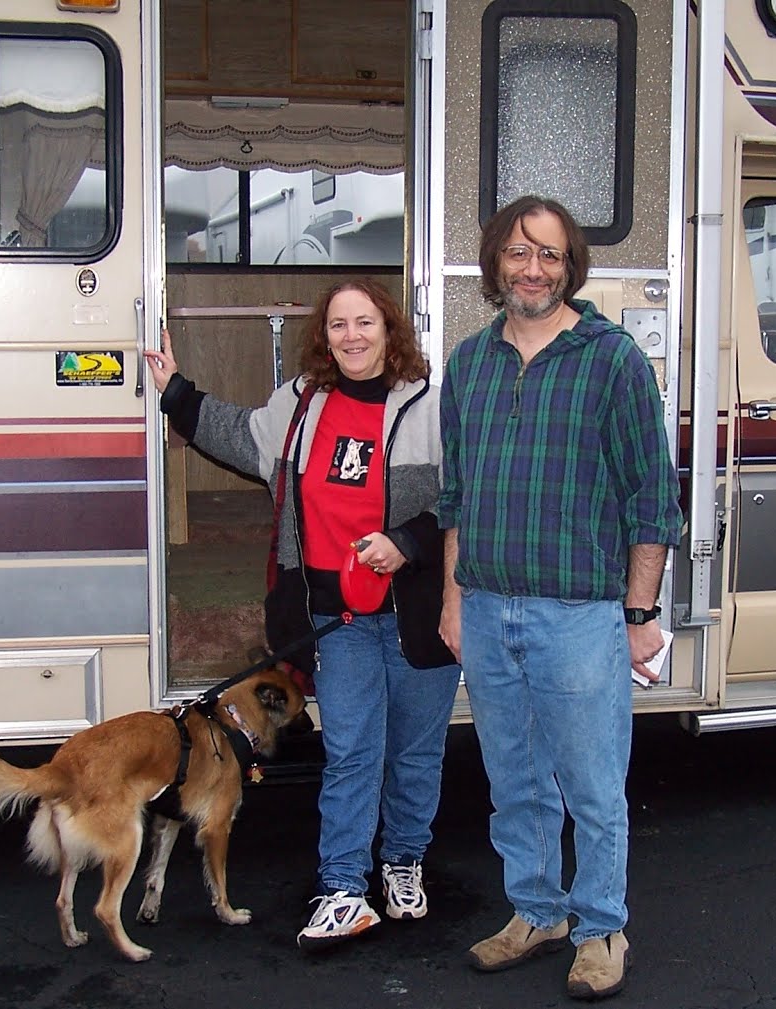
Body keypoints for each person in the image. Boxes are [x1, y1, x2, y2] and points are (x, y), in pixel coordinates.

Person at [144, 280, 460, 953]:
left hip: (419, 612)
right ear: (325, 335)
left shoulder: (433, 406)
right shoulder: (300, 405)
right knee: (350, 749)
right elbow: (235, 434)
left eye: (365, 321)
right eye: (339, 324)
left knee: (415, 750)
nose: (352, 335)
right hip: (334, 615)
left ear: (389, 328)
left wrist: (407, 541)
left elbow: (466, 498)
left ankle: (403, 860)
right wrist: (176, 391)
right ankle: (344, 887)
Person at [437, 196, 682, 1001]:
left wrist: (641, 614)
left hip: (579, 616)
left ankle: (601, 926)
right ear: (495, 264)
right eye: (517, 252)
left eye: (547, 254)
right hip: (488, 604)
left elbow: (653, 498)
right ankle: (535, 910)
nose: (531, 268)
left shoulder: (610, 360)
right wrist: (452, 601)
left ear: (569, 265)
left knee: (590, 779)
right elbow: (457, 499)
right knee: (514, 779)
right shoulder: (469, 362)